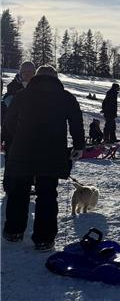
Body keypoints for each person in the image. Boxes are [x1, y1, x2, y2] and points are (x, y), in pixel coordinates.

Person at [2, 65, 85, 251]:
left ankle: (14, 231)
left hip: (22, 151)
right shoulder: (66, 97)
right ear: (55, 78)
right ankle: (44, 239)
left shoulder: (22, 95)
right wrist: (79, 146)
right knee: (47, 194)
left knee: (18, 192)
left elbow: (8, 122)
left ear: (37, 78)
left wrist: (19, 139)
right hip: (52, 153)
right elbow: (77, 123)